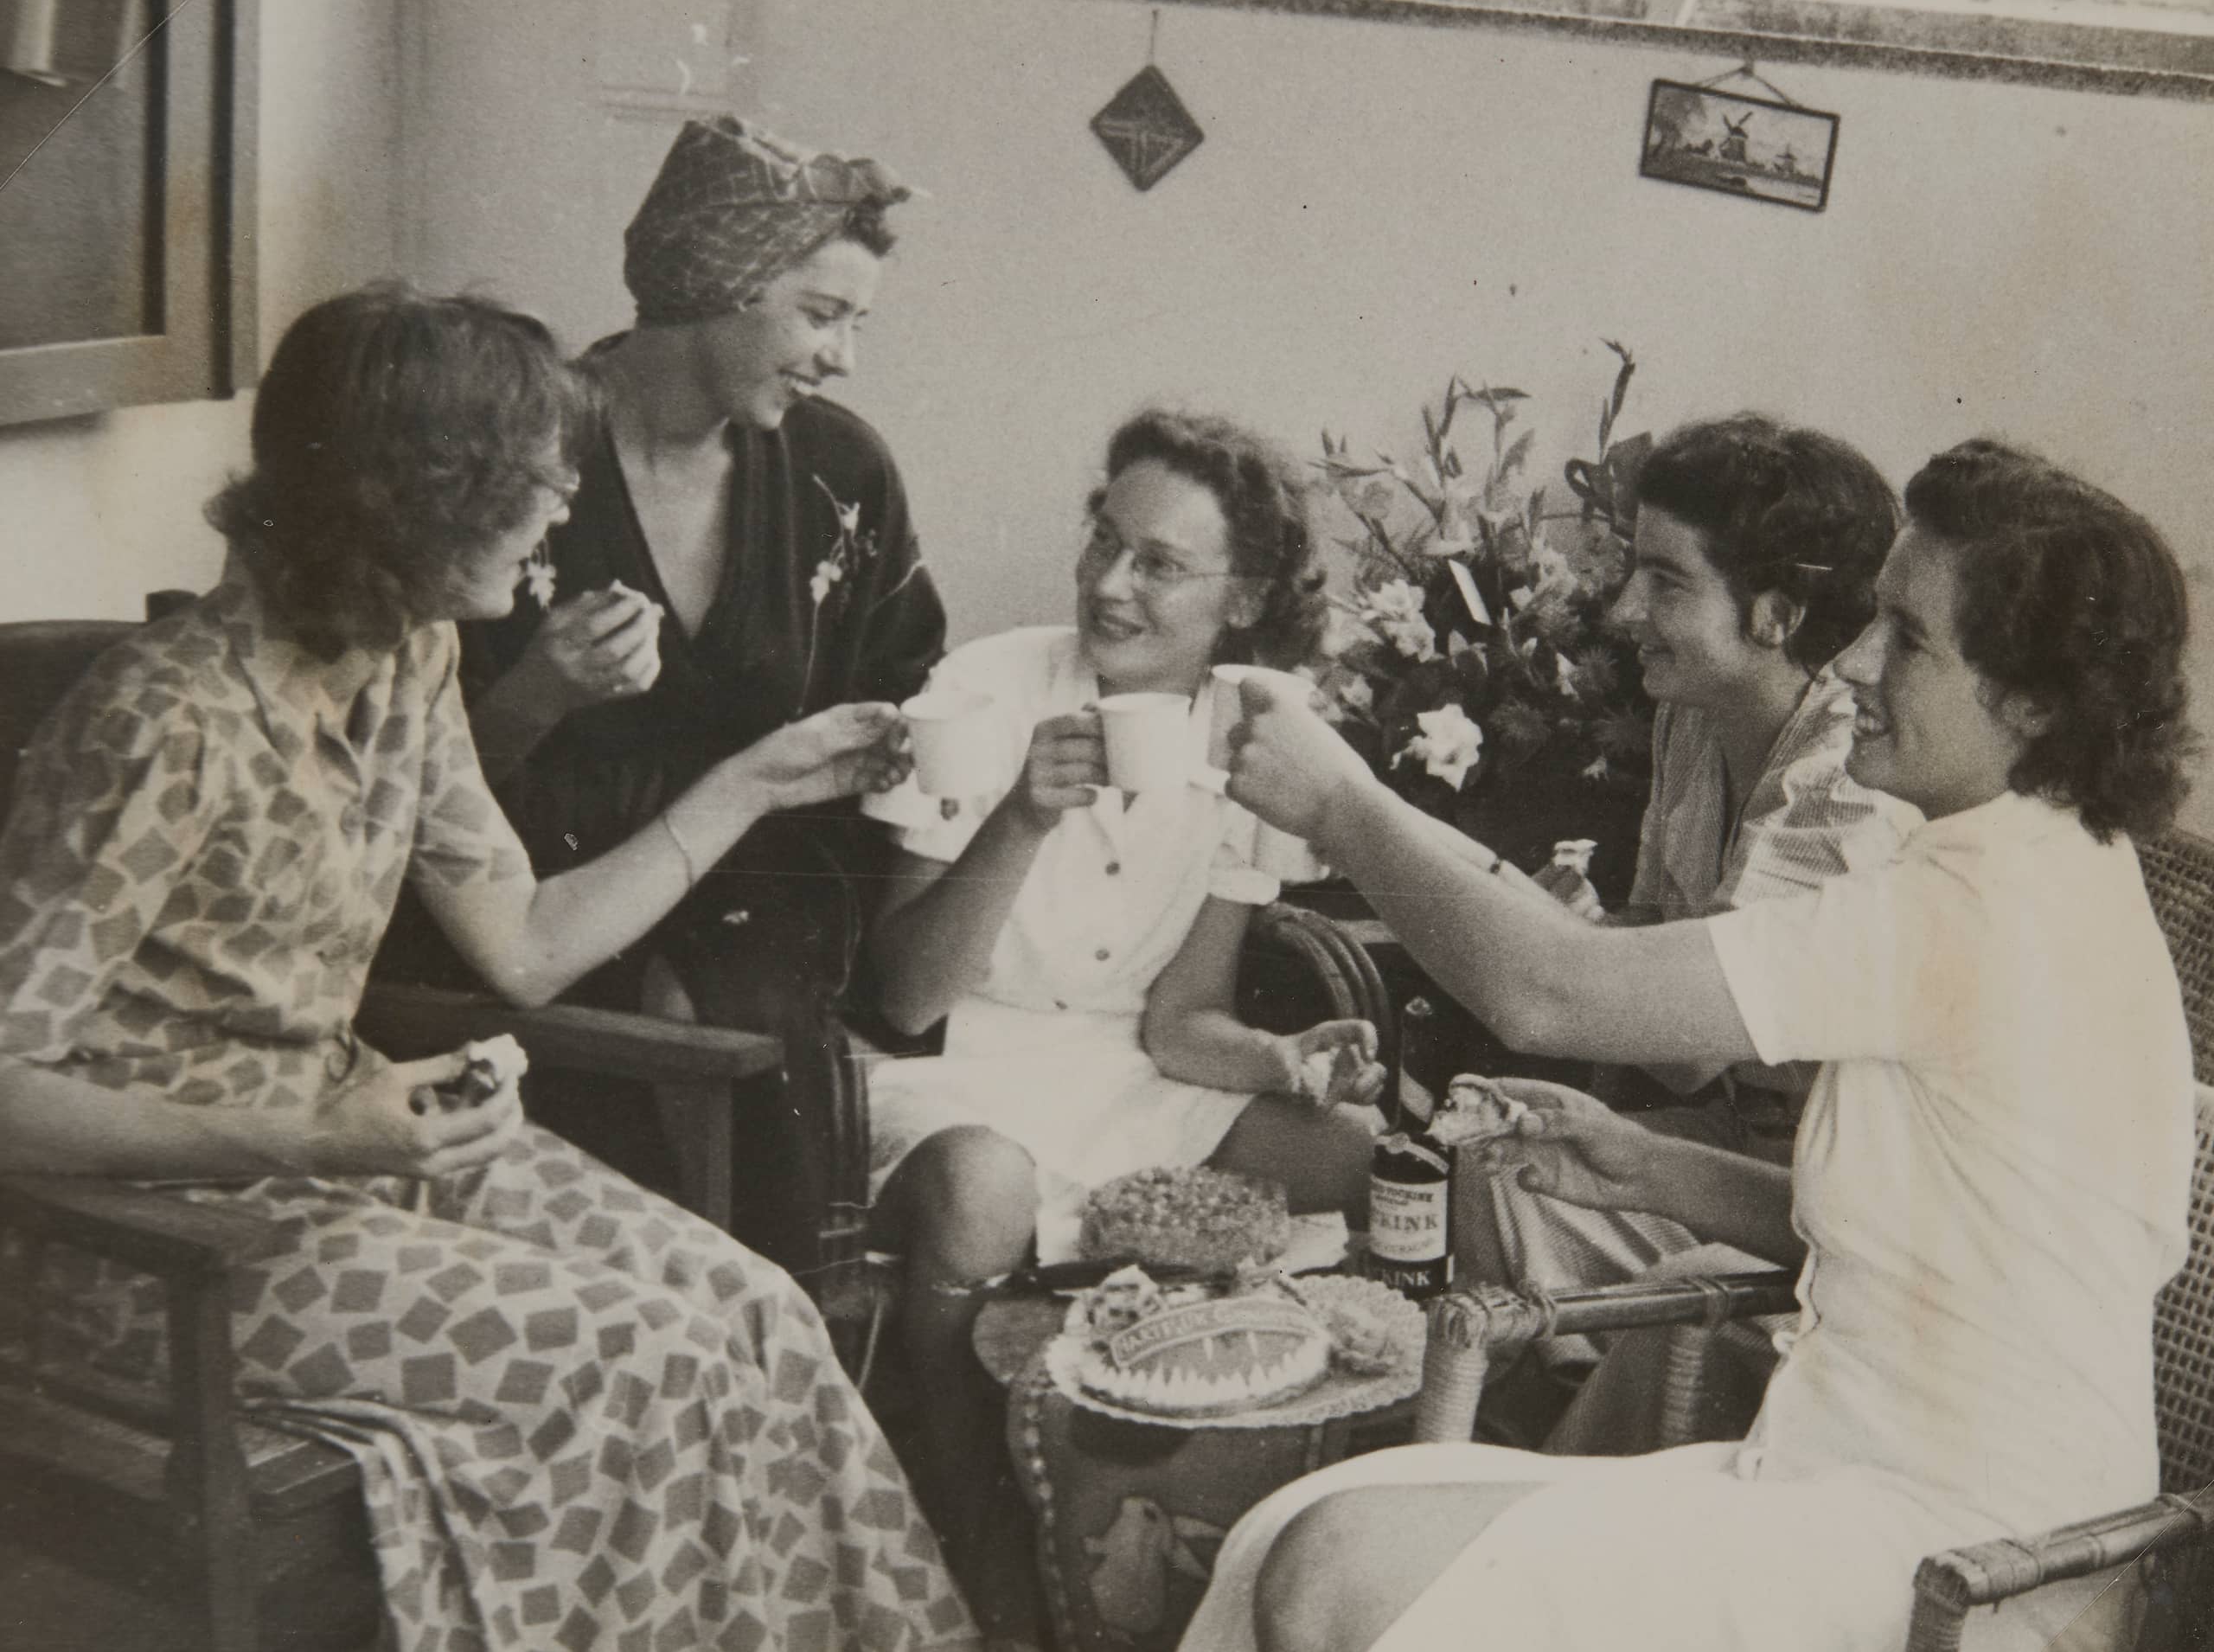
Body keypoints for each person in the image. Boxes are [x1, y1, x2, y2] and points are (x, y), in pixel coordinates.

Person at [0, 286, 981, 1652]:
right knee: (649, 1358)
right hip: (153, 1245)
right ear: (424, 497)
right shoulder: (161, 720)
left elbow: (523, 942)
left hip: (336, 1161)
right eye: (537, 480)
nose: (565, 505)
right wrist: (305, 1135)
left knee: (753, 1308)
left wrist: (753, 783)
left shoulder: (409, 659)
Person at [1181, 439, 2197, 1651]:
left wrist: (1339, 801)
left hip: (1976, 1565)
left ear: (2031, 700)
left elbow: (1550, 991)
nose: (1857, 660)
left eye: (1909, 637)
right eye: (1871, 618)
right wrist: (1648, 1165)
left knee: (1337, 1566)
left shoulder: (1984, 904)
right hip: (1845, 1489)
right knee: (1306, 1521)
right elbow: (1936, 1249)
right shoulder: (2038, 864)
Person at [861, 409, 1387, 1635]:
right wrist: (1019, 821)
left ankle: (1263, 1496)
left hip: (1123, 1071)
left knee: (1358, 1154)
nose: (1109, 583)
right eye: (1104, 540)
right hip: (959, 1068)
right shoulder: (984, 689)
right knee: (985, 1190)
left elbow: (1178, 1022)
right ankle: (967, 1513)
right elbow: (906, 996)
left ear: (1244, 595)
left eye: (1159, 563)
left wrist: (1284, 1055)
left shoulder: (1264, 730)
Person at [394, 116, 943, 1227]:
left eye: (854, 323)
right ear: (714, 285)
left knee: (719, 1001)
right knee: (650, 1034)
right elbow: (405, 779)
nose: (843, 358)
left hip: (766, 881)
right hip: (529, 900)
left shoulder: (841, 472)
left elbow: (909, 695)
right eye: (822, 316)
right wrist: (537, 695)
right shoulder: (521, 456)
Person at [1480, 414, 1921, 1391]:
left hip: (1832, 1205)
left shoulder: (1846, 782)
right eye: (1634, 569)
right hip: (1736, 1148)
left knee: (1512, 1190)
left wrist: (1535, 927)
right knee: (1496, 1169)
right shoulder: (1694, 716)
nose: (1623, 608)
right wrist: (1592, 930)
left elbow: (1686, 1053)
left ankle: (1578, 1420)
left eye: (1666, 581)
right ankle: (1559, 1405)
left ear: (1776, 613)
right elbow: (1668, 974)